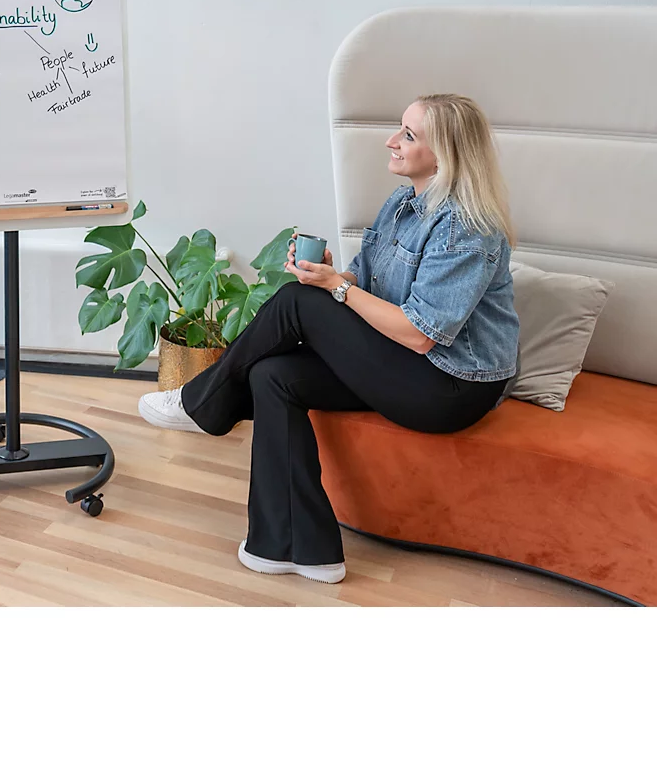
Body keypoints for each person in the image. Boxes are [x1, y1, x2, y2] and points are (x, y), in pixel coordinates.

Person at [137, 93, 520, 585]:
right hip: (407, 363)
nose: (392, 141)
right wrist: (327, 275)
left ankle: (203, 401)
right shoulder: (403, 205)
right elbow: (365, 281)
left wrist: (330, 290)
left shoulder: (467, 227)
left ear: (444, 153)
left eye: (408, 135)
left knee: (299, 304)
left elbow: (422, 334)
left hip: (452, 385)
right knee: (273, 375)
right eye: (398, 129)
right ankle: (296, 548)